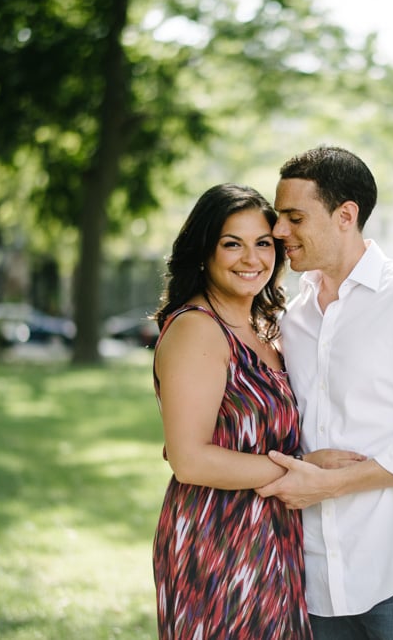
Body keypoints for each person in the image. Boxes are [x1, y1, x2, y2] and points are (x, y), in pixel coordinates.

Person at [256, 146, 393, 639]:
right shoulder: (294, 317)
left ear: (345, 216)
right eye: (278, 218)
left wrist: (331, 484)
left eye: (294, 217)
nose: (278, 232)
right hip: (315, 572)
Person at [151, 183, 364, 640]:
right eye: (232, 244)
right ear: (204, 251)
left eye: (263, 243)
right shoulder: (197, 329)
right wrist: (303, 469)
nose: (251, 258)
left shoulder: (264, 330)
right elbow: (189, 460)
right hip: (218, 537)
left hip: (274, 535)